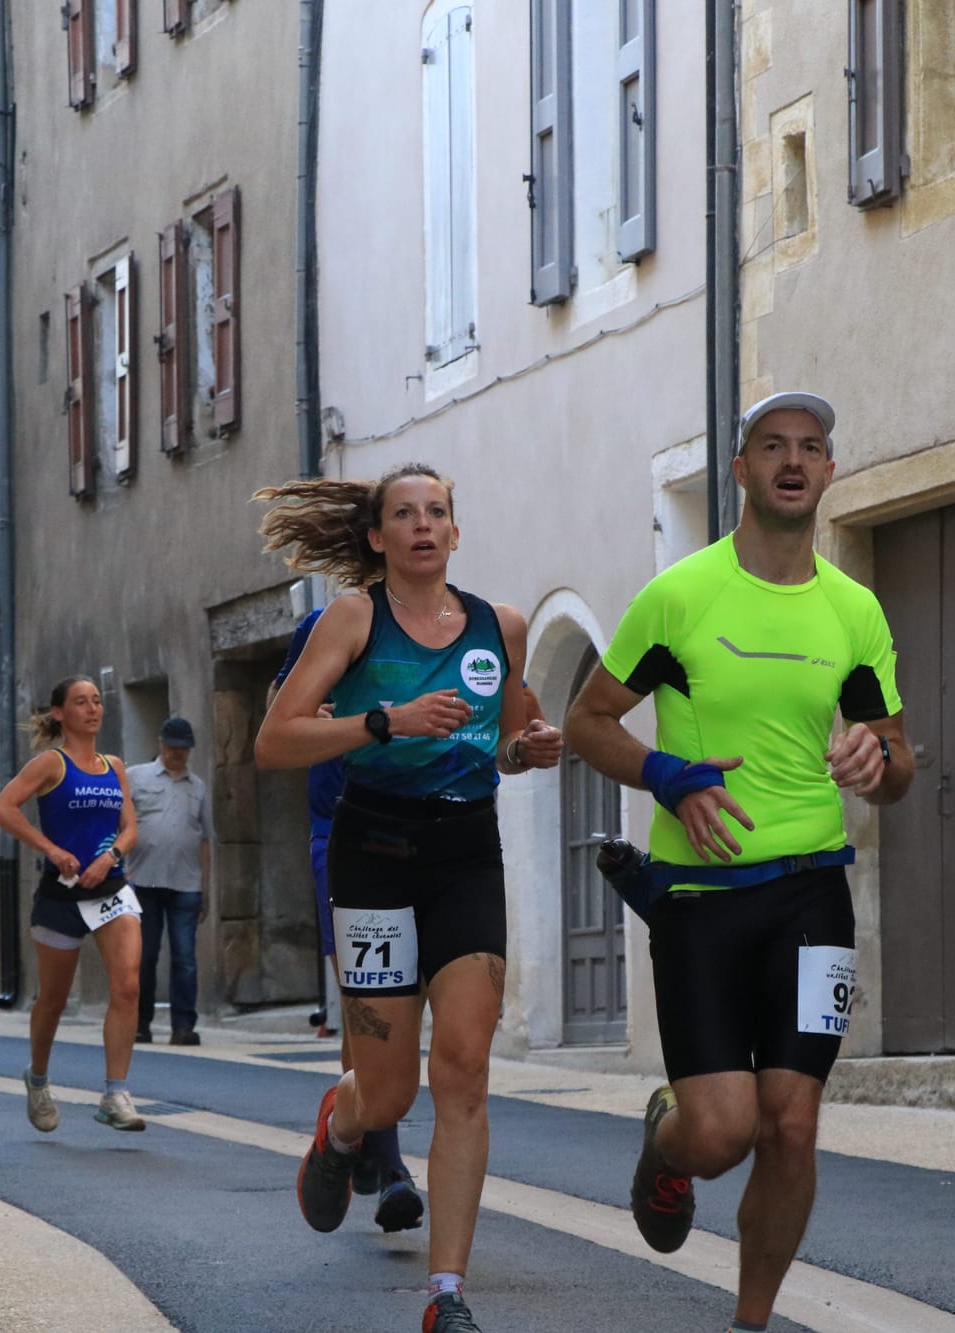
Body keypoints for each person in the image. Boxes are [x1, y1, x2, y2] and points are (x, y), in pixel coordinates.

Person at [564, 392, 916, 1333]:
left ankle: (749, 1322)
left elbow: (900, 759)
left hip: (811, 892)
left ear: (829, 471)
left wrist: (877, 762)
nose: (793, 461)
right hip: (698, 898)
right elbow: (587, 723)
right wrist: (671, 776)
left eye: (810, 448)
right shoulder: (681, 596)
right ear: (742, 470)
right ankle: (665, 1142)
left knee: (792, 1124)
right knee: (722, 1132)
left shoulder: (854, 611)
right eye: (772, 447)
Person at [254, 463, 563, 1333]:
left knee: (463, 1066)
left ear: (456, 532)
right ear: (378, 537)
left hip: (466, 849)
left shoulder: (501, 625)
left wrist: (528, 747)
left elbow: (505, 738)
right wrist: (382, 721)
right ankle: (342, 1124)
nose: (423, 525)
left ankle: (445, 1296)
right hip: (375, 849)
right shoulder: (353, 618)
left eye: (438, 512)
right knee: (388, 1093)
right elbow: (274, 740)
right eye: (405, 514)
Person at [269, 607, 426, 1234]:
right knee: (373, 1001)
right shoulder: (325, 622)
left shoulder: (452, 624)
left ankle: (357, 1129)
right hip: (343, 830)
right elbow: (278, 707)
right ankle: (390, 1169)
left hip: (430, 833)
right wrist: (312, 714)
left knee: (393, 1008)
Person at [0, 676, 150, 1134]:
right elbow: (3, 808)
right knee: (53, 1001)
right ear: (60, 713)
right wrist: (51, 849)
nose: (93, 709)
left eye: (97, 701)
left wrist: (112, 856)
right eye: (81, 702)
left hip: (112, 889)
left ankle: (115, 1094)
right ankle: (37, 1079)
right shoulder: (50, 764)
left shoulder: (114, 766)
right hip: (62, 894)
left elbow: (131, 829)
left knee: (128, 986)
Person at [127, 716, 216, 1047]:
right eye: (173, 747)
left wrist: (206, 888)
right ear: (161, 744)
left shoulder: (198, 787)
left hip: (186, 883)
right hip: (143, 881)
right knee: (145, 955)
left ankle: (183, 1026)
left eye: (184, 749)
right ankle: (140, 1023)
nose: (178, 753)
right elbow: (119, 823)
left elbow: (205, 838)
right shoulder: (135, 777)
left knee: (185, 958)